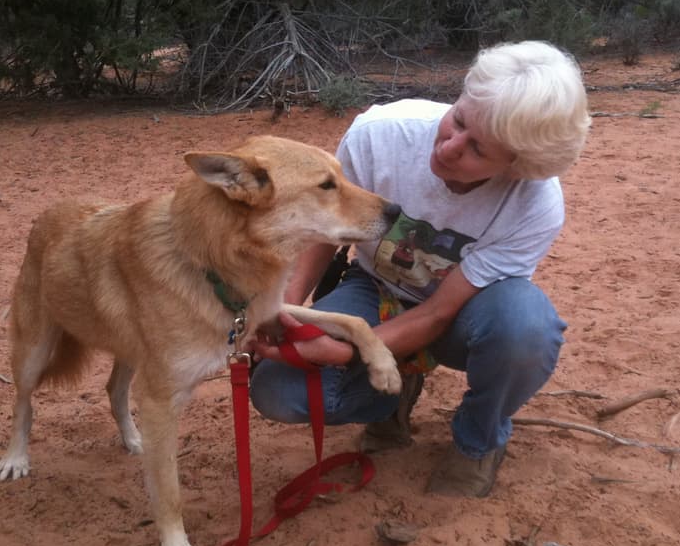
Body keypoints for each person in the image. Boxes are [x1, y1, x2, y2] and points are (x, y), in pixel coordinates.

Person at [247, 40, 590, 497]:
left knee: (524, 329)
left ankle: (477, 441)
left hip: (462, 317)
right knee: (278, 392)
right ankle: (391, 395)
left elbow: (436, 314)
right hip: (374, 286)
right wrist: (282, 307)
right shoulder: (381, 134)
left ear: (518, 166)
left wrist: (355, 352)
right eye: (459, 119)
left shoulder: (535, 205)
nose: (450, 147)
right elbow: (324, 237)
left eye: (478, 151)